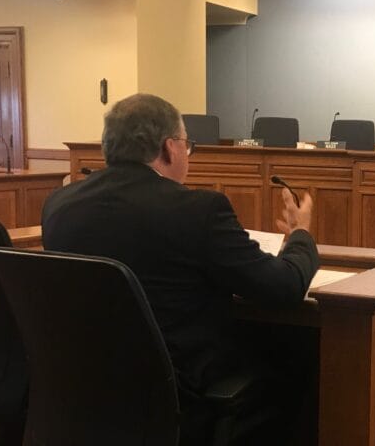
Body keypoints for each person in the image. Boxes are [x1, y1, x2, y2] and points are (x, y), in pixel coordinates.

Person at [42, 93, 319, 398]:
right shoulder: (198, 210)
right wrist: (300, 235)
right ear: (169, 148)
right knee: (299, 355)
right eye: (187, 146)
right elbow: (284, 286)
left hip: (78, 390)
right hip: (176, 393)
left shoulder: (59, 204)